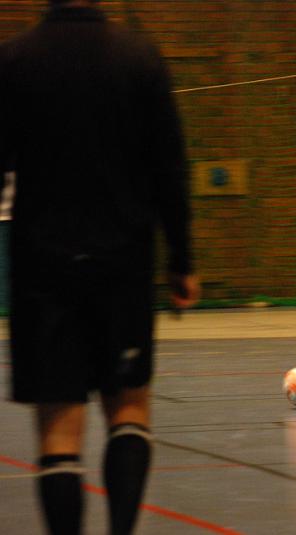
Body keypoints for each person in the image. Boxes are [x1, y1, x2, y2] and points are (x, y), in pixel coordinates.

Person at [0, 1, 200, 533]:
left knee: (59, 426)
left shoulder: (14, 59)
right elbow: (170, 168)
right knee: (128, 406)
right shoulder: (139, 57)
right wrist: (181, 260)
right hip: (123, 261)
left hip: (41, 266)